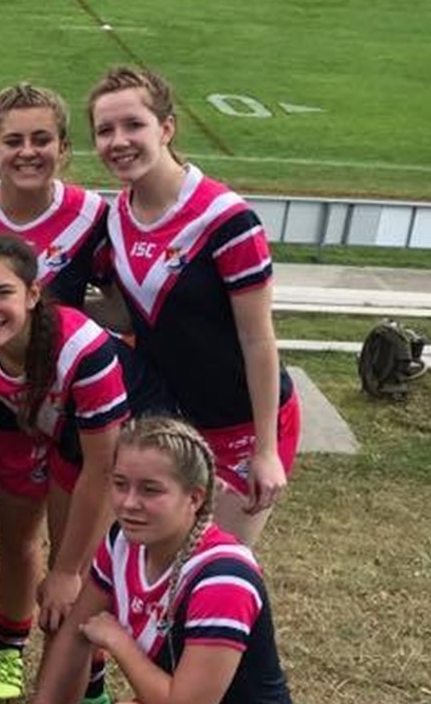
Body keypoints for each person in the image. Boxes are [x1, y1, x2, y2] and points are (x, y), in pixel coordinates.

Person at [0, 234, 165, 702]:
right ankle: (77, 681)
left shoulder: (81, 349)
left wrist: (68, 569)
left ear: (32, 294)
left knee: (75, 585)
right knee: (64, 590)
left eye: (1, 293)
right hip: (70, 440)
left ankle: (89, 689)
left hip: (134, 447)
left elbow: (102, 469)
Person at [90, 65, 298, 546]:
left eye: (133, 125)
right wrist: (48, 314)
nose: (118, 141)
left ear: (166, 128)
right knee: (158, 559)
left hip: (241, 423)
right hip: (173, 424)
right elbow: (130, 315)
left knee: (209, 564)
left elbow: (257, 337)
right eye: (105, 130)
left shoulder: (227, 220)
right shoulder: (116, 216)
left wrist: (266, 450)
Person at [32, 417, 292, 704]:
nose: (128, 503)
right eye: (120, 484)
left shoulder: (224, 580)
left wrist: (118, 641)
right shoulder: (121, 542)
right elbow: (76, 632)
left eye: (150, 489)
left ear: (194, 498)